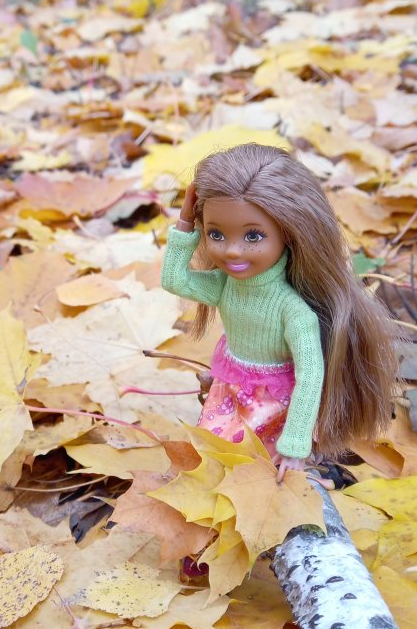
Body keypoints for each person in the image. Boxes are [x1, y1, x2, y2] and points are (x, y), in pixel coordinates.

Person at [161, 143, 398, 494]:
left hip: (270, 405)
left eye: (253, 236)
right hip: (229, 391)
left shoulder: (293, 311)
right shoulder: (226, 287)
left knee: (248, 475)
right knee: (213, 462)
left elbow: (310, 376)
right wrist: (184, 223)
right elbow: (174, 280)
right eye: (216, 234)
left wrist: (295, 445)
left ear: (288, 232)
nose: (233, 250)